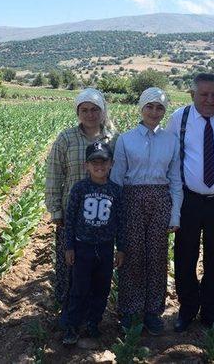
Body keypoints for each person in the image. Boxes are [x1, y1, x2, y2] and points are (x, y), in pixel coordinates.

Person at [166, 73, 214, 332]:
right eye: (204, 94)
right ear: (192, 95)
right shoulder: (179, 119)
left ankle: (209, 310)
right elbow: (171, 157)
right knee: (185, 256)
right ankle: (187, 309)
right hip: (189, 200)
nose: (210, 100)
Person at [110, 87, 182, 335]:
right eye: (149, 106)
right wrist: (116, 213)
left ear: (165, 111)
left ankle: (152, 311)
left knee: (157, 256)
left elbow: (174, 180)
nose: (154, 111)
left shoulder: (171, 141)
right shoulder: (126, 140)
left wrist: (175, 215)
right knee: (131, 255)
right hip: (131, 198)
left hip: (161, 199)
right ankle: (130, 311)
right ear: (141, 108)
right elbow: (117, 179)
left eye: (159, 107)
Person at [45, 88, 117, 318]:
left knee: (97, 269)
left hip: (102, 217)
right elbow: (54, 175)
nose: (90, 114)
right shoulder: (66, 138)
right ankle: (68, 314)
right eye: (84, 110)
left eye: (95, 109)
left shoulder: (113, 138)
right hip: (72, 215)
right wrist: (56, 210)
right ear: (78, 112)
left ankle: (92, 317)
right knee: (69, 266)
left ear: (103, 111)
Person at [62, 142, 125, 345]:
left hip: (106, 248)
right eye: (94, 162)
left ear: (111, 164)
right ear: (86, 165)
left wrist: (120, 248)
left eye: (103, 162)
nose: (99, 166)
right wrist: (69, 246)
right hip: (83, 248)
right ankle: (72, 325)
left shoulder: (116, 190)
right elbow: (70, 220)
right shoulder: (80, 188)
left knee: (102, 288)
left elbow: (121, 222)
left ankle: (93, 323)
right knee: (79, 289)